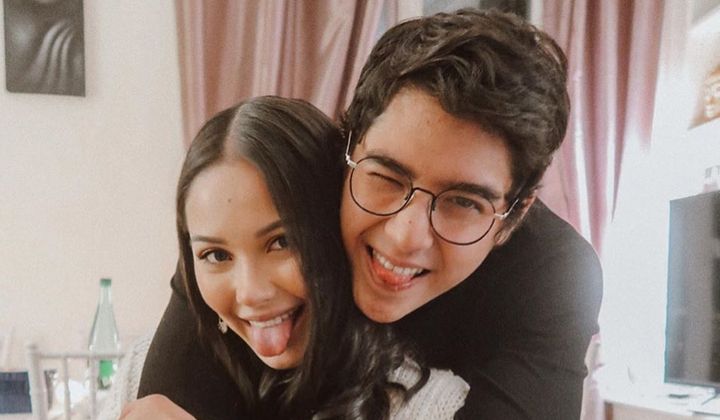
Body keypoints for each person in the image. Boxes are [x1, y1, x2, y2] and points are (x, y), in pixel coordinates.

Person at [138, 8, 603, 419]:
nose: (404, 237)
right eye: (386, 177)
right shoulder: (276, 205)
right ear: (345, 150)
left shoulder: (555, 275)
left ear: (514, 217)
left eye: (463, 202)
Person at [113, 96, 469, 419]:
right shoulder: (140, 375)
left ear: (337, 228)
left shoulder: (429, 407)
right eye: (216, 254)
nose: (251, 292)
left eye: (282, 242)